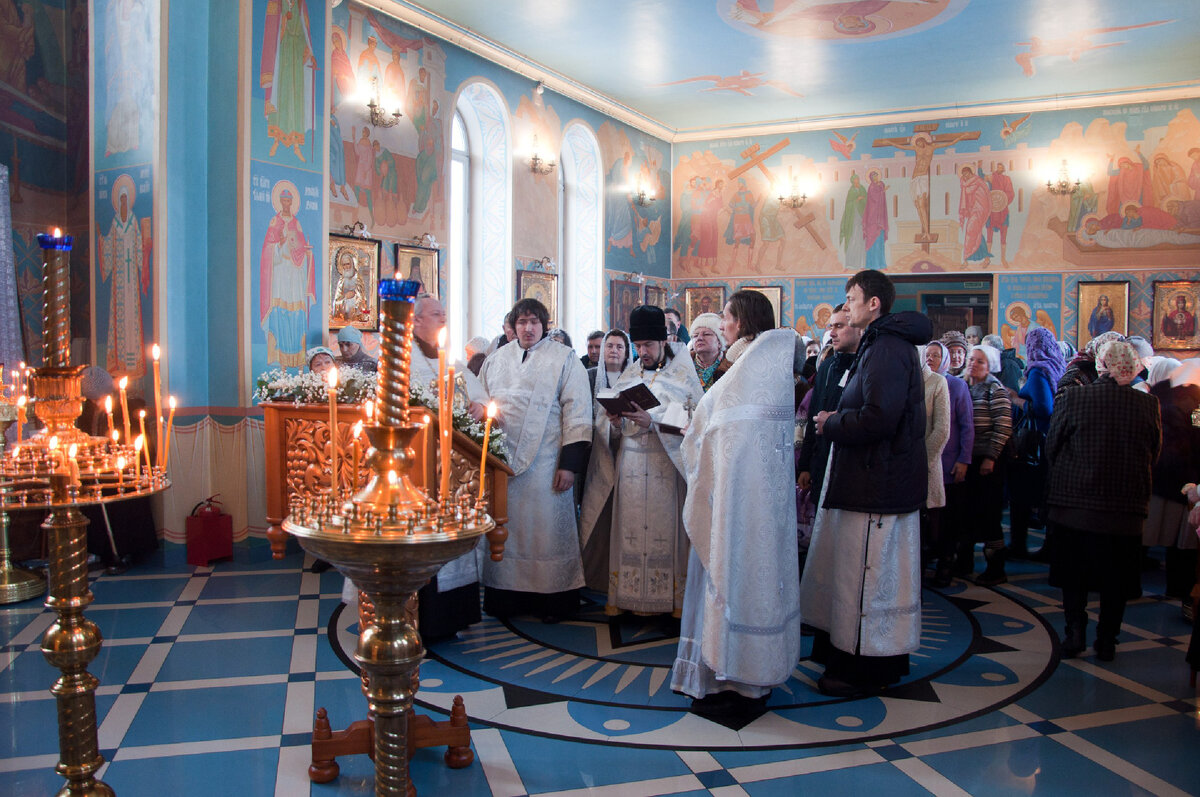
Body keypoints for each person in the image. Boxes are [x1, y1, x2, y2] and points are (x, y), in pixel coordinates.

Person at [671, 290, 804, 720]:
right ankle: (746, 674)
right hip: (759, 503)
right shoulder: (767, 364)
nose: (722, 325)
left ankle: (734, 678)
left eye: (726, 318)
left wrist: (694, 433)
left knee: (733, 578)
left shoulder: (749, 369)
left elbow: (719, 429)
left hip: (736, 504)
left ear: (742, 321)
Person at [800, 269, 932, 698]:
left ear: (873, 304)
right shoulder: (880, 344)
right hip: (871, 479)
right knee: (858, 579)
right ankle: (850, 656)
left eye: (852, 299)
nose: (847, 306)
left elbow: (880, 418)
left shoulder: (887, 348)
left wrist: (831, 422)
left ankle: (862, 670)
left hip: (878, 484)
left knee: (866, 580)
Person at [580, 306, 703, 617]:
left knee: (665, 535)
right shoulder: (630, 374)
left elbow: (695, 423)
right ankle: (626, 598)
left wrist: (653, 421)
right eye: (638, 345)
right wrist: (615, 422)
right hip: (631, 469)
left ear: (663, 341)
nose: (642, 352)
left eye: (648, 344)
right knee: (629, 533)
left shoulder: (683, 375)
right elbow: (612, 430)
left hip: (665, 468)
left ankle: (670, 603)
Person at [1044, 340, 1161, 662]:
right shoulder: (1148, 404)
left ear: (1101, 365)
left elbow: (1052, 446)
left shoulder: (1075, 398)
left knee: (1074, 576)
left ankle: (1074, 633)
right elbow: (1154, 452)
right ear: (1133, 366)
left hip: (1075, 505)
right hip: (1125, 510)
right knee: (1116, 579)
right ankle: (1107, 639)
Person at [478, 298, 593, 622]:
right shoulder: (496, 360)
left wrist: (569, 465)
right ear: (513, 326)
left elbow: (578, 413)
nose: (528, 328)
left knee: (547, 533)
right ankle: (506, 600)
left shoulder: (564, 358)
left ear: (544, 325)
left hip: (548, 464)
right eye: (522, 322)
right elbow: (481, 402)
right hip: (503, 465)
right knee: (509, 530)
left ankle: (552, 602)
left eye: (534, 322)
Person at [1142, 358, 1200, 611]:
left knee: (1146, 531)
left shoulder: (1158, 392)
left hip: (1156, 470)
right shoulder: (1196, 402)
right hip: (1184, 475)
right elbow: (1198, 435)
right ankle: (1178, 588)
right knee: (1183, 540)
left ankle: (1129, 581)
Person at [956, 344, 1013, 584]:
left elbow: (1003, 427)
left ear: (990, 366)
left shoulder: (994, 389)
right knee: (965, 511)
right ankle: (964, 561)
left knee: (988, 513)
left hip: (987, 459)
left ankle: (996, 568)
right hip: (964, 458)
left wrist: (990, 457)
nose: (973, 364)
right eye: (971, 359)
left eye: (980, 361)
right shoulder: (961, 384)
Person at [1006, 327, 1065, 560]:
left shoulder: (1038, 371)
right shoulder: (1056, 366)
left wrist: (1015, 398)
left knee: (1020, 496)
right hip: (1047, 439)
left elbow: (1043, 408)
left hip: (1033, 441)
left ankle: (1018, 545)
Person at [797, 305, 861, 506]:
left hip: (851, 467)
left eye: (839, 326)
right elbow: (813, 417)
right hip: (821, 462)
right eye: (831, 326)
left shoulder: (866, 367)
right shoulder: (826, 366)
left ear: (859, 328)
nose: (832, 333)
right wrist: (805, 465)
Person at [926, 341, 974, 587]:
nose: (931, 359)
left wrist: (964, 459)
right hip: (925, 462)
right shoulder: (921, 383)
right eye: (927, 355)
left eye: (936, 355)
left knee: (948, 518)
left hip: (948, 461)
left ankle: (946, 562)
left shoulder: (956, 385)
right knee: (928, 516)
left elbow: (966, 425)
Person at [409, 294, 487, 420]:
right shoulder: (404, 357)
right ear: (417, 320)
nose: (443, 319)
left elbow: (479, 395)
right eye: (436, 314)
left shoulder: (449, 360)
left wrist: (480, 407)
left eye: (444, 314)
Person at [919, 344, 951, 575]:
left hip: (926, 465)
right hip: (900, 465)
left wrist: (921, 463)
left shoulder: (937, 382)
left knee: (930, 523)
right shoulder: (899, 381)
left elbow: (942, 429)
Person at [589, 329, 631, 395]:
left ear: (626, 353)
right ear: (603, 350)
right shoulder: (589, 375)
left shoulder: (635, 377)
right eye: (609, 346)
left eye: (619, 347)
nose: (613, 350)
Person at [687, 312, 723, 391]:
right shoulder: (683, 364)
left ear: (719, 342)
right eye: (695, 335)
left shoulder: (731, 365)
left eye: (706, 334)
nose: (699, 338)